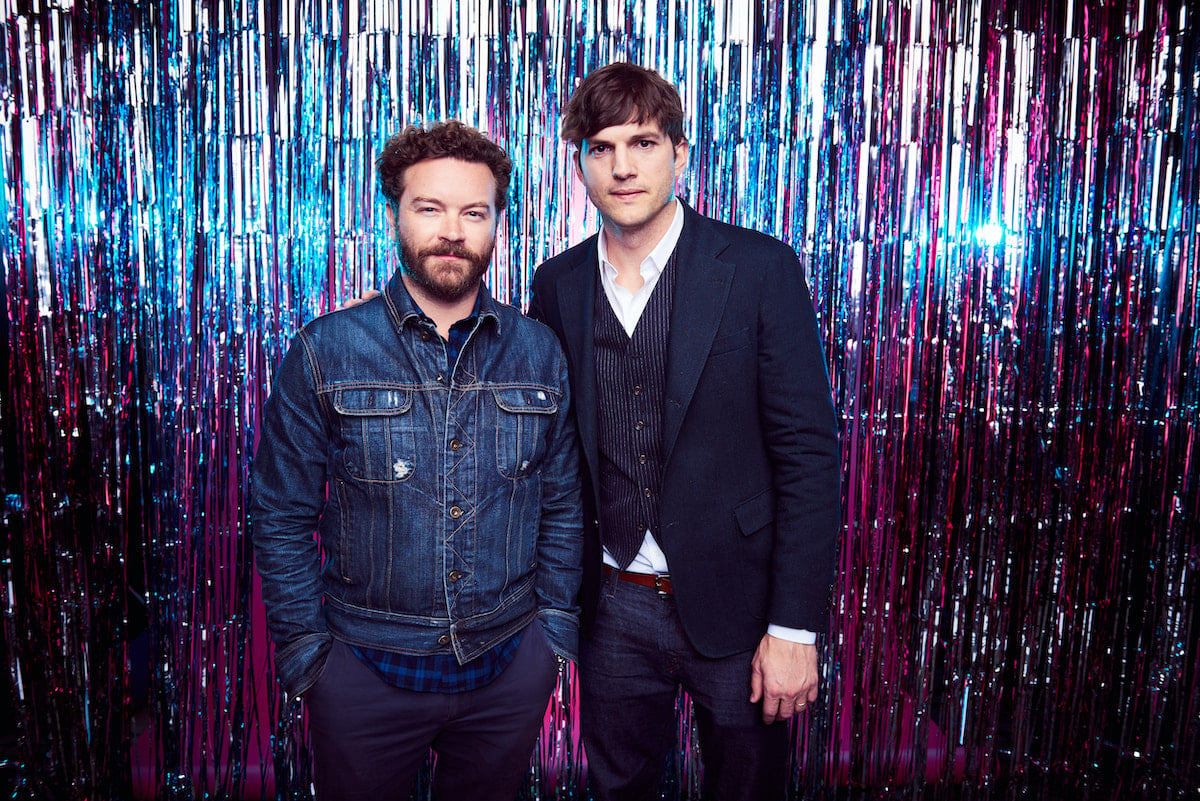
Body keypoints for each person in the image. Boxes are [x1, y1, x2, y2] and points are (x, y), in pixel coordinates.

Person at [527, 63, 841, 801]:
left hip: (740, 605)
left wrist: (794, 628)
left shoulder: (759, 268)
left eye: (642, 141)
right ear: (579, 165)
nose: (623, 165)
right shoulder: (557, 284)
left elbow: (807, 455)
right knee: (618, 788)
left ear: (681, 152)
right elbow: (543, 437)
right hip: (611, 603)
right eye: (600, 148)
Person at [250, 120, 583, 801]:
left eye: (473, 211)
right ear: (394, 213)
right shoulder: (326, 348)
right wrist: (310, 659)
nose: (452, 231)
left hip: (507, 664)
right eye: (429, 208)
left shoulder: (539, 351)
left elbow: (563, 502)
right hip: (363, 672)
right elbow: (280, 513)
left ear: (498, 223)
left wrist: (551, 637)